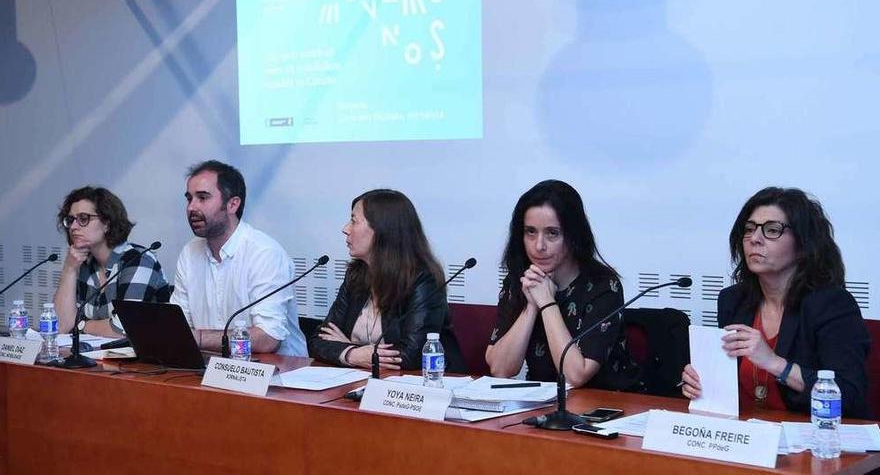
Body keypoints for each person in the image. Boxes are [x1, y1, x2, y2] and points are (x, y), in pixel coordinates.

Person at [681, 187, 870, 417]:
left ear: (803, 245)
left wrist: (775, 364)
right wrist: (701, 382)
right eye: (749, 229)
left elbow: (849, 392)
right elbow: (728, 382)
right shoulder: (733, 300)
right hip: (746, 435)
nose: (754, 239)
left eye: (772, 230)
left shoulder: (832, 305)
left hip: (813, 435)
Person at [485, 180, 641, 390]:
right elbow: (500, 369)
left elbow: (575, 376)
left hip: (605, 405)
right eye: (530, 232)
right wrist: (531, 305)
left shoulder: (603, 285)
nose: (539, 246)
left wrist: (547, 303)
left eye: (552, 233)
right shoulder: (520, 280)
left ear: (573, 235)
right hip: (543, 405)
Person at [309, 189, 464, 372]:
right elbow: (318, 341)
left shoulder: (423, 280)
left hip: (423, 386)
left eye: (354, 221)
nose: (345, 229)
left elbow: (412, 356)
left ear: (382, 230)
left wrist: (353, 349)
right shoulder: (356, 276)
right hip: (365, 381)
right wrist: (352, 354)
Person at [170, 160, 306, 356]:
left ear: (233, 204)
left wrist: (198, 338)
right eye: (189, 198)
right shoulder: (190, 253)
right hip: (210, 370)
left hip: (276, 374)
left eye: (202, 198)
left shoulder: (264, 253)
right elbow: (179, 325)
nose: (192, 207)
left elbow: (268, 338)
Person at [53, 186, 171, 337]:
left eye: (83, 219)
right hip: (99, 356)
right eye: (70, 220)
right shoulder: (83, 264)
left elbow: (124, 329)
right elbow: (60, 326)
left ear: (107, 223)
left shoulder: (138, 260)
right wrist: (69, 269)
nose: (74, 227)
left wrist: (80, 324)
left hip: (148, 357)